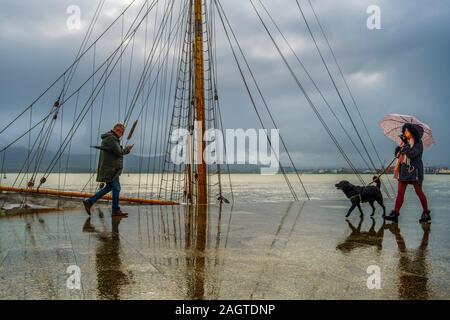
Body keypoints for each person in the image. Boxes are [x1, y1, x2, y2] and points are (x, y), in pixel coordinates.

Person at [83, 123, 134, 217]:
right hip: (111, 169)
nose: (122, 134)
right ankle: (115, 210)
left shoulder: (110, 138)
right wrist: (127, 149)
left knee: (110, 187)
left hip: (111, 169)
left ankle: (89, 202)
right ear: (118, 130)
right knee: (116, 188)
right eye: (122, 132)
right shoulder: (111, 138)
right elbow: (119, 152)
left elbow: (114, 151)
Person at [385, 123, 430, 223]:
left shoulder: (418, 143)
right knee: (400, 193)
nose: (405, 132)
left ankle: (426, 213)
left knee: (419, 192)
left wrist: (405, 144)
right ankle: (395, 213)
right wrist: (398, 150)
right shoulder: (405, 143)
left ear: (413, 132)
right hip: (404, 170)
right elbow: (400, 157)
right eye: (404, 131)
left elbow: (411, 154)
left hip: (415, 171)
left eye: (407, 131)